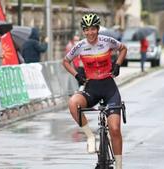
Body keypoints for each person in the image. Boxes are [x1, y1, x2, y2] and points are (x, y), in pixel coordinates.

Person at [62, 13, 127, 169]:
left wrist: (117, 64)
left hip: (109, 89)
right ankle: (91, 137)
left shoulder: (107, 41)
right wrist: (77, 75)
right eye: (86, 30)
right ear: (83, 31)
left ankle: (119, 166)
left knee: (115, 128)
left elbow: (123, 48)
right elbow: (65, 61)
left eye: (93, 29)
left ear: (97, 29)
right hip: (92, 88)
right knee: (73, 103)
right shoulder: (80, 46)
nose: (90, 32)